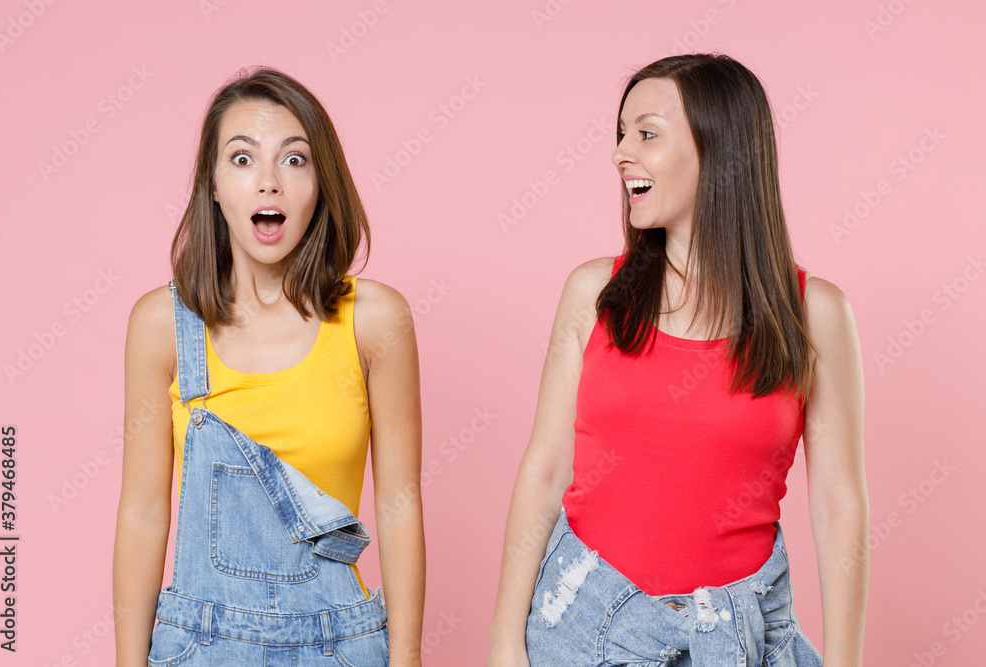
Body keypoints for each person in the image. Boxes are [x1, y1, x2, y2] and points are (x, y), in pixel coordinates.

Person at [487, 54, 868, 666]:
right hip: (583, 630)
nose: (619, 154)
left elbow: (837, 503)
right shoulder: (593, 294)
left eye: (646, 134)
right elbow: (546, 469)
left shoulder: (814, 312)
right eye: (620, 134)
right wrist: (504, 642)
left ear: (719, 151)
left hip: (740, 639)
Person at [112, 67, 425, 666]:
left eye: (295, 160)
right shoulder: (161, 326)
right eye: (241, 159)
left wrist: (406, 658)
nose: (268, 183)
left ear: (321, 183)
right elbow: (144, 511)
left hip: (340, 644)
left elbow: (399, 502)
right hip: (197, 647)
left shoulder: (375, 320)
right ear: (212, 185)